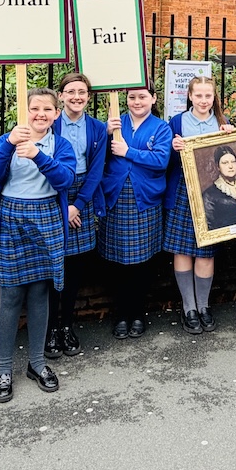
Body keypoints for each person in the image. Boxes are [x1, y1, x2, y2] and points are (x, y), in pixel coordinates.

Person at [0, 88, 76, 403]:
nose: (40, 114)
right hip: (10, 218)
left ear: (56, 114)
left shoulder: (60, 145)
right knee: (10, 295)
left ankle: (37, 363)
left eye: (47, 109)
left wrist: (38, 155)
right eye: (34, 108)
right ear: (24, 110)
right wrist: (9, 143)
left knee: (39, 293)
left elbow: (65, 179)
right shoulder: (7, 140)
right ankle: (4, 369)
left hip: (46, 217)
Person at [100, 85, 174, 338]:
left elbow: (161, 161)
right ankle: (121, 313)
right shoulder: (115, 124)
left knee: (142, 262)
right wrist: (105, 134)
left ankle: (138, 313)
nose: (137, 101)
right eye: (132, 97)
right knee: (117, 261)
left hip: (145, 200)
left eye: (142, 96)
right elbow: (97, 156)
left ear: (153, 98)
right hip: (116, 198)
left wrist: (128, 152)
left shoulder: (161, 128)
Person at [163, 75, 232, 334]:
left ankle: (203, 306)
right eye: (198, 95)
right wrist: (172, 148)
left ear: (214, 97)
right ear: (190, 96)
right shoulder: (177, 122)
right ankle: (189, 307)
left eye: (208, 95)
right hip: (183, 189)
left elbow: (234, 158)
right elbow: (165, 162)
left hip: (212, 192)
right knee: (182, 250)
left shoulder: (224, 123)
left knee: (206, 251)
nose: (203, 100)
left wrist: (231, 139)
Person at [46, 71, 108, 359]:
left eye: (82, 92)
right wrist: (64, 208)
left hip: (82, 195)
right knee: (52, 266)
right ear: (60, 96)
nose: (76, 97)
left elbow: (96, 171)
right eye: (70, 91)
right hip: (53, 194)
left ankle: (67, 326)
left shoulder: (97, 128)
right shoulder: (50, 122)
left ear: (88, 96)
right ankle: (50, 329)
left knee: (73, 269)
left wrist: (78, 205)